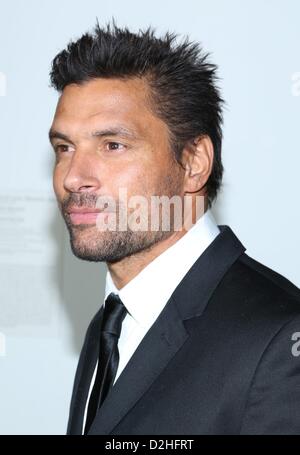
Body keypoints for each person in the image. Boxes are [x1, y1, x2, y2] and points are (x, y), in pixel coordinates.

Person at [48, 21, 300, 435]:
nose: (74, 177)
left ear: (194, 162)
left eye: (113, 145)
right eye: (65, 148)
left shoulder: (279, 340)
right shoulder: (111, 322)